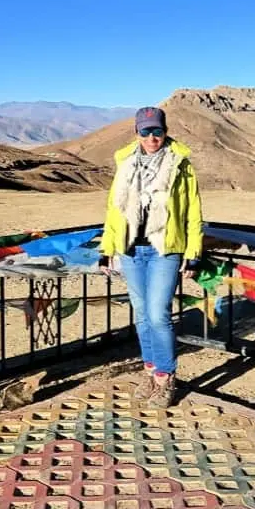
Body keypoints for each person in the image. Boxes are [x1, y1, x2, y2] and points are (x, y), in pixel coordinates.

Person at [98, 106, 203, 407]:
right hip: (130, 248)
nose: (152, 137)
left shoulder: (180, 165)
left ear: (165, 131)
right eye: (146, 131)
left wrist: (193, 252)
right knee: (142, 316)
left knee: (158, 315)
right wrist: (107, 248)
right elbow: (114, 212)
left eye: (157, 131)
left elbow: (193, 212)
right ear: (137, 133)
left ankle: (166, 377)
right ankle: (150, 371)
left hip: (164, 249)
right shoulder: (126, 163)